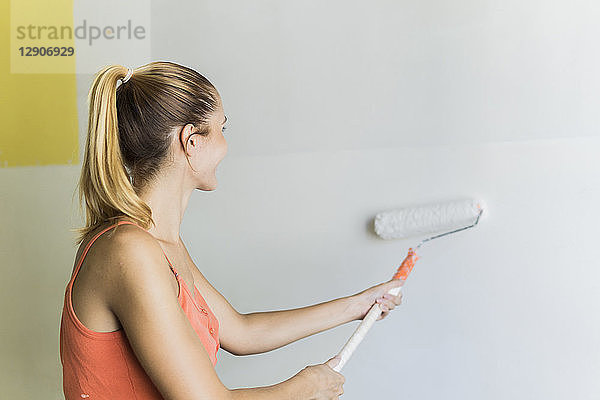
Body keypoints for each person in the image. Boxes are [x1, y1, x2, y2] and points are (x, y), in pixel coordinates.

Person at [59, 61, 404, 399]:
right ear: (191, 140)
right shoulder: (129, 250)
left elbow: (242, 332)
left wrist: (359, 304)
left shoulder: (159, 244)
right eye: (222, 128)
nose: (225, 144)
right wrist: (306, 387)